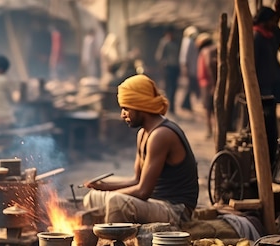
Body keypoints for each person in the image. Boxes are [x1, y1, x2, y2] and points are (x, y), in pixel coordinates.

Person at [83, 74, 198, 226]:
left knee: (116, 202)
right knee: (92, 197)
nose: (122, 115)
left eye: (126, 108)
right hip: (154, 201)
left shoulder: (161, 135)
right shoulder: (143, 133)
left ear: (140, 106)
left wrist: (109, 194)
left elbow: (143, 191)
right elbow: (137, 180)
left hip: (175, 210)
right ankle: (92, 238)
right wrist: (104, 186)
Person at [253, 6, 280, 172]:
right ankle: (267, 164)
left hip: (272, 85)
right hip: (263, 88)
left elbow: (278, 33)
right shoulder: (257, 37)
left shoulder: (270, 36)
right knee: (267, 127)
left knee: (272, 125)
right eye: (271, 20)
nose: (273, 23)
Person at [195, 32, 217, 139]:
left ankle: (211, 130)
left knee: (209, 109)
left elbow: (209, 65)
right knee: (212, 109)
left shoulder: (206, 51)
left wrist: (213, 84)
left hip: (207, 84)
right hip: (207, 83)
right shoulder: (212, 49)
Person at [154, 29, 180, 114]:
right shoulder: (164, 43)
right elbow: (159, 56)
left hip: (175, 67)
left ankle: (172, 106)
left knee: (174, 87)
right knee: (167, 87)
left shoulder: (175, 42)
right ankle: (167, 105)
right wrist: (163, 64)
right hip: (168, 68)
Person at [179, 26, 200, 113]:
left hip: (192, 67)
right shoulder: (188, 41)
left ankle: (186, 104)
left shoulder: (190, 42)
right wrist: (185, 68)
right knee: (189, 86)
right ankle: (185, 104)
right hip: (190, 67)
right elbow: (185, 56)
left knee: (190, 86)